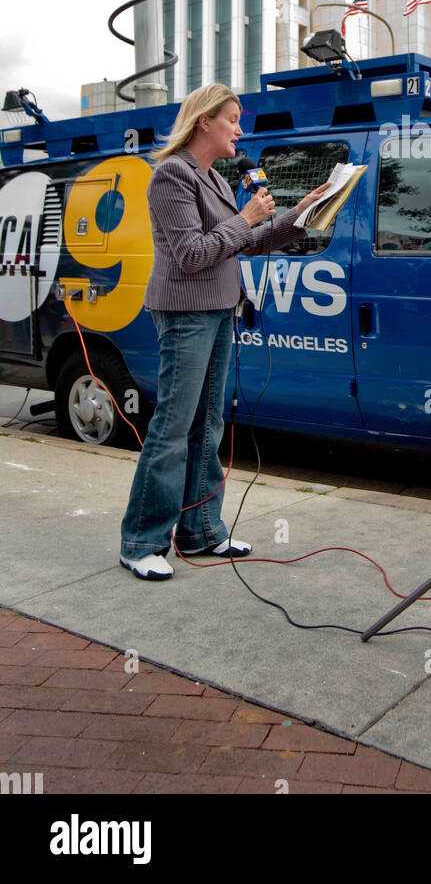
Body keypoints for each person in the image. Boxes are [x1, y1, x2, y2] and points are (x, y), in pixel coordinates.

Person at [120, 83, 328, 581]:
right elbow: (194, 253)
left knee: (208, 425)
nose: (240, 128)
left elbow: (243, 242)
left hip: (218, 309)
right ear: (203, 122)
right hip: (186, 313)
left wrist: (301, 214)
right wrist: (246, 216)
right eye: (232, 119)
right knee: (172, 427)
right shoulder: (173, 175)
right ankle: (141, 541)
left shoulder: (210, 177)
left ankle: (202, 530)